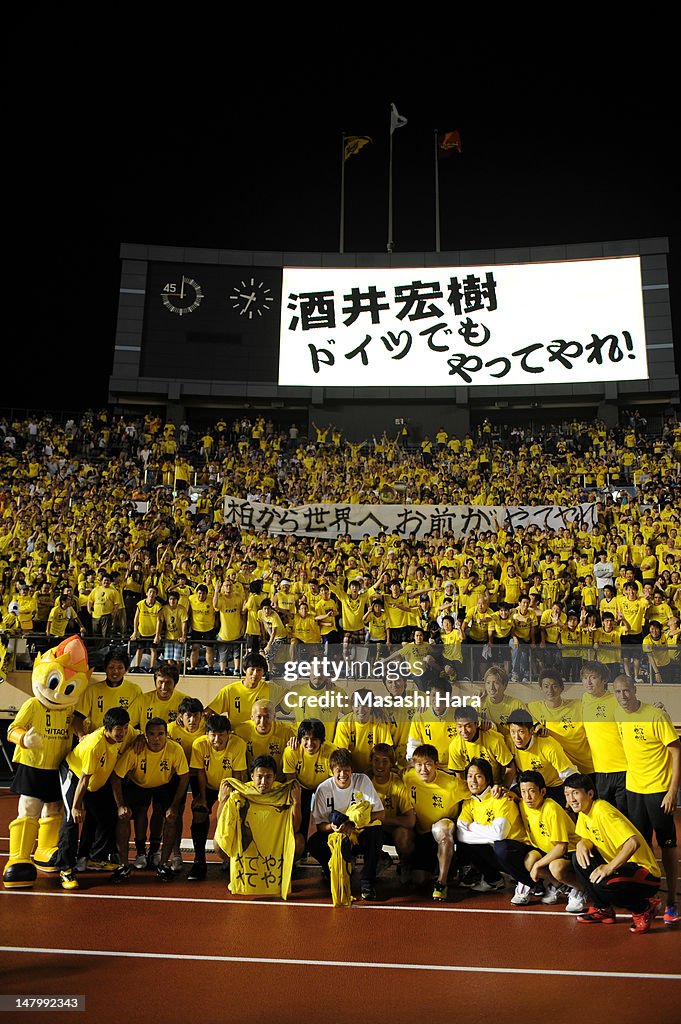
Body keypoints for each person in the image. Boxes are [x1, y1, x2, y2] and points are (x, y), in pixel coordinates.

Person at [613, 674, 680, 926]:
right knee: (641, 847)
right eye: (618, 692)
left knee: (667, 845)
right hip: (634, 790)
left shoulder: (655, 715)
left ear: (635, 689)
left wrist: (673, 790)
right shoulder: (618, 715)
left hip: (658, 791)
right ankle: (650, 897)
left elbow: (676, 751)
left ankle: (672, 900)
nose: (623, 697)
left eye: (627, 691)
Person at [564, 773, 662, 933]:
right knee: (577, 858)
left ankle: (644, 908)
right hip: (624, 868)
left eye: (575, 793)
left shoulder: (603, 811)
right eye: (567, 794)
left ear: (590, 794)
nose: (571, 799)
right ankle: (603, 909)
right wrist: (583, 842)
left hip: (645, 874)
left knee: (604, 883)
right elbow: (588, 837)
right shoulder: (584, 812)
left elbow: (633, 843)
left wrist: (609, 867)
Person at [55, 707, 130, 889]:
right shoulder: (94, 745)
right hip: (74, 777)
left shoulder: (123, 734)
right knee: (71, 820)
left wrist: (142, 738)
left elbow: (138, 734)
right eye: (119, 729)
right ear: (107, 729)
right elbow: (83, 779)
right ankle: (65, 868)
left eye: (125, 728)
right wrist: (76, 806)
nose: (123, 733)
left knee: (106, 815)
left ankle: (94, 858)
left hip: (95, 781)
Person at [214, 754, 303, 899]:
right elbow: (222, 824)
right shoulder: (240, 792)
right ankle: (235, 867)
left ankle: (285, 870)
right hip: (248, 842)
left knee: (298, 841)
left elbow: (296, 827)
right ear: (251, 776)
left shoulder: (282, 793)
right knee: (218, 843)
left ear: (274, 777)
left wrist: (296, 803)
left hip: (274, 842)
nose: (263, 782)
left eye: (268, 777)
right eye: (259, 776)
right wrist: (224, 799)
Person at [112, 717, 189, 881]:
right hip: (138, 783)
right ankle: (125, 864)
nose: (156, 738)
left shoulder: (175, 749)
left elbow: (184, 777)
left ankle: (163, 864)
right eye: (152, 734)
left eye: (161, 734)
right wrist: (120, 806)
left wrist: (175, 805)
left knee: (170, 816)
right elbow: (116, 777)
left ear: (167, 735)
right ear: (144, 736)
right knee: (124, 815)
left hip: (165, 784)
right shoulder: (135, 750)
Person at [308, 747, 384, 901]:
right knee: (314, 843)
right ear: (331, 771)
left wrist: (355, 822)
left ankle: (367, 881)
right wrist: (334, 827)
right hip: (335, 836)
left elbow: (380, 813)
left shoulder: (362, 781)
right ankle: (331, 869)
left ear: (352, 769)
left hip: (358, 833)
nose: (343, 775)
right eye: (339, 771)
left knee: (376, 832)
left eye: (346, 770)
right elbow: (320, 826)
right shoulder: (323, 789)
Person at [456, 758, 536, 905]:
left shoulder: (501, 798)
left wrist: (471, 827)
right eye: (469, 776)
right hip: (495, 850)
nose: (473, 781)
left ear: (488, 779)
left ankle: (525, 882)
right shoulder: (469, 802)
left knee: (501, 845)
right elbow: (460, 834)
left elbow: (499, 834)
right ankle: (493, 880)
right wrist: (487, 833)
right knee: (466, 845)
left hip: (519, 849)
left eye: (478, 776)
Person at [186, 713, 247, 880]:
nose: (217, 739)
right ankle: (199, 861)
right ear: (207, 734)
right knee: (199, 812)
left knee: (231, 816)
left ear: (229, 733)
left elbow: (237, 775)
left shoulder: (238, 744)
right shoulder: (199, 744)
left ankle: (230, 857)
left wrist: (230, 797)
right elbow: (200, 772)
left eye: (221, 734)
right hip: (207, 785)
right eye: (213, 734)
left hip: (230, 784)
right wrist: (203, 798)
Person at [516, 769, 586, 913]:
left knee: (556, 867)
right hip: (548, 849)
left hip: (572, 851)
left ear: (542, 791)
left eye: (531, 791)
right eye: (523, 792)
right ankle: (559, 885)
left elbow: (562, 847)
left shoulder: (551, 809)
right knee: (529, 860)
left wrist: (538, 866)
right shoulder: (523, 804)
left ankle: (581, 889)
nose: (527, 797)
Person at [404, 743, 466, 901]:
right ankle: (444, 866)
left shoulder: (452, 784)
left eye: (428, 765)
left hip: (443, 831)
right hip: (422, 833)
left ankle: (442, 882)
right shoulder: (408, 777)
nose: (423, 769)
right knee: (419, 880)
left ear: (436, 765)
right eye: (419, 765)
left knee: (442, 829)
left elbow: (476, 791)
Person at [579, 661, 628, 811]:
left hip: (623, 769)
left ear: (604, 680)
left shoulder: (616, 700)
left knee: (625, 817)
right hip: (600, 770)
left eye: (593, 677)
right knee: (606, 816)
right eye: (585, 677)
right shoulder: (584, 700)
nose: (588, 682)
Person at [282, 717, 336, 846]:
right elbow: (291, 781)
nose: (310, 744)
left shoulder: (331, 751)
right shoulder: (291, 751)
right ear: (300, 739)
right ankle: (301, 849)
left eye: (314, 739)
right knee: (301, 815)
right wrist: (297, 801)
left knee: (327, 816)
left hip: (324, 786)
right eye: (306, 739)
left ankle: (328, 848)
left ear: (321, 740)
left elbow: (332, 783)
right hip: (300, 785)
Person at [507, 708, 578, 806]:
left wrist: (570, 798)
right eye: (513, 732)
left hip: (553, 788)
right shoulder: (508, 743)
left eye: (521, 732)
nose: (517, 737)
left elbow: (569, 774)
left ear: (531, 730)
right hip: (530, 790)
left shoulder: (549, 745)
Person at [368, 743, 415, 880]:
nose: (380, 765)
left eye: (385, 761)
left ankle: (405, 863)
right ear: (370, 762)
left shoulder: (398, 784)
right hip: (372, 830)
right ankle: (380, 858)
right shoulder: (365, 781)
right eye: (376, 760)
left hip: (392, 829)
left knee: (404, 835)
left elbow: (411, 820)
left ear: (392, 764)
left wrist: (384, 819)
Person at [73, 649, 142, 734]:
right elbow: (78, 719)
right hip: (98, 741)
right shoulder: (92, 690)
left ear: (126, 670)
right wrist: (81, 736)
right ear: (105, 668)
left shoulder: (135, 690)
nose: (115, 671)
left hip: (124, 742)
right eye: (111, 667)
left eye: (120, 667)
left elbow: (139, 722)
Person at [447, 705, 516, 787]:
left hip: (495, 785)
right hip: (474, 787)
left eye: (468, 726)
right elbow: (460, 776)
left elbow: (510, 767)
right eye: (460, 726)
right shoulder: (455, 746)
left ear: (476, 724)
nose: (464, 731)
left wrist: (504, 788)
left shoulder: (494, 740)